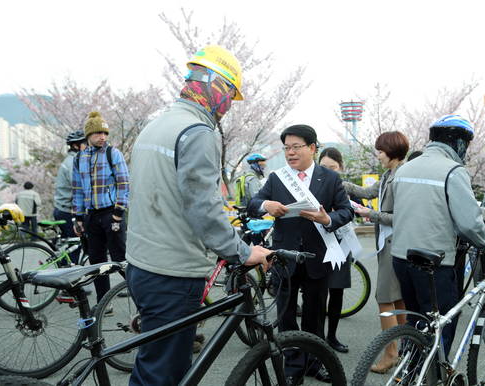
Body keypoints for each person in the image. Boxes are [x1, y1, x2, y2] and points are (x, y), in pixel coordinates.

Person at [125, 45, 270, 386]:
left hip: (141, 262)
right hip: (172, 272)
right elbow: (203, 209)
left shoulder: (158, 124)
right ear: (215, 86)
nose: (229, 106)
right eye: (230, 95)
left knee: (153, 364)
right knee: (162, 376)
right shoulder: (197, 133)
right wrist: (244, 252)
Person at [248, 124, 353, 384]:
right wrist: (266, 204)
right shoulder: (277, 178)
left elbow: (346, 211)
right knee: (285, 317)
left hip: (319, 257)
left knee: (315, 315)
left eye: (296, 147)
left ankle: (315, 363)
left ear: (312, 148)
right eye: (286, 148)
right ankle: (293, 366)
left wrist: (327, 218)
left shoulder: (329, 178)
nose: (290, 153)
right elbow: (252, 205)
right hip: (285, 257)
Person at [390, 114, 485, 356]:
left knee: (416, 318)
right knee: (442, 321)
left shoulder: (404, 168)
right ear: (459, 142)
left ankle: (408, 370)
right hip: (434, 261)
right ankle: (433, 377)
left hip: (400, 256)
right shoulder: (453, 171)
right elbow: (469, 222)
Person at [342, 131, 409, 372]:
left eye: (380, 151)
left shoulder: (401, 175)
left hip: (394, 242)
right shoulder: (390, 174)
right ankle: (408, 348)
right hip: (390, 243)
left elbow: (400, 216)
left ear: (391, 151)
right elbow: (369, 192)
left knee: (384, 300)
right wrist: (340, 183)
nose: (378, 155)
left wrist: (369, 214)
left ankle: (391, 353)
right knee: (399, 299)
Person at [72, 111, 129, 303]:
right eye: (98, 133)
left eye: (105, 133)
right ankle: (104, 303)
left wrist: (118, 213)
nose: (102, 137)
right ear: (88, 135)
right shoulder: (79, 158)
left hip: (111, 214)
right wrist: (78, 218)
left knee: (120, 259)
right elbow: (78, 189)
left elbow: (123, 184)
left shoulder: (113, 153)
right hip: (91, 217)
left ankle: (142, 300)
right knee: (96, 262)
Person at [317, 147, 353, 354]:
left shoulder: (345, 187)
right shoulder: (310, 186)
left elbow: (350, 212)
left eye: (333, 167)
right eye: (324, 167)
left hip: (340, 241)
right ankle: (317, 337)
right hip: (318, 243)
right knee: (317, 293)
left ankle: (332, 336)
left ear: (340, 168)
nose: (329, 171)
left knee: (337, 290)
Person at [54, 130, 87, 264]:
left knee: (69, 245)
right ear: (76, 145)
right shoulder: (74, 162)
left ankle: (64, 270)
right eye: (85, 143)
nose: (88, 146)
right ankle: (69, 278)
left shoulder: (69, 160)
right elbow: (79, 189)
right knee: (75, 245)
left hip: (61, 209)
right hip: (68, 211)